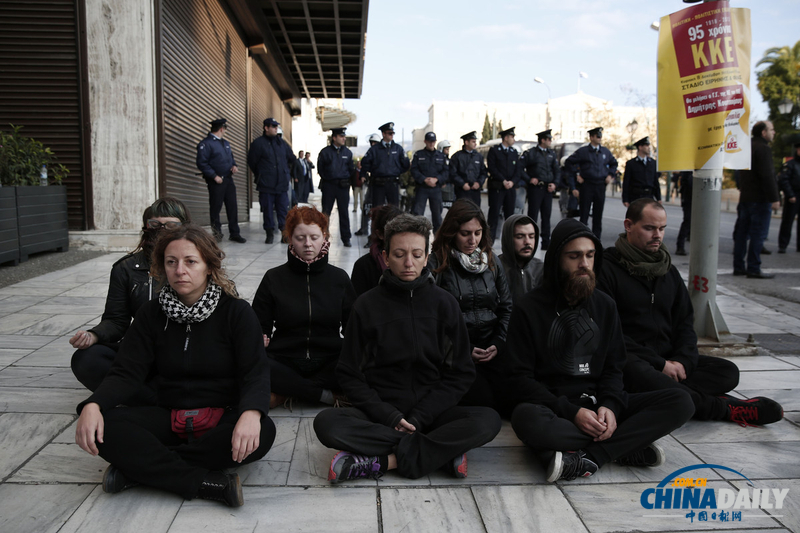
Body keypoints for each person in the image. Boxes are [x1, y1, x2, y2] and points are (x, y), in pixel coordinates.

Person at [74, 224, 276, 507]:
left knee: (263, 431)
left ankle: (141, 470)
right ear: (162, 268)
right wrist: (93, 405)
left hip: (221, 416)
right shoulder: (150, 314)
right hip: (168, 414)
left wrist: (251, 413)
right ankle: (208, 483)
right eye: (171, 262)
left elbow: (255, 372)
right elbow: (126, 372)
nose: (180, 270)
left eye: (190, 261)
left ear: (208, 265)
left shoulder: (237, 312)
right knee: (106, 427)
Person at [313, 214, 501, 482]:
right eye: (400, 254)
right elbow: (349, 373)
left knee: (488, 420)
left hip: (433, 412)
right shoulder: (366, 306)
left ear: (427, 256)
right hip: (382, 412)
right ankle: (441, 452)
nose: (408, 263)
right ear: (387, 256)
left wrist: (422, 416)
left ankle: (384, 461)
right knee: (327, 424)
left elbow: (460, 373)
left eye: (416, 254)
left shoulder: (444, 305)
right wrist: (389, 416)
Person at [505, 218, 695, 482]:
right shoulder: (528, 308)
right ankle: (624, 445)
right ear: (557, 259)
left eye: (590, 255)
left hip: (598, 404)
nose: (584, 264)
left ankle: (592, 457)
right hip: (554, 408)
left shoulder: (604, 305)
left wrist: (611, 407)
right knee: (526, 419)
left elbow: (614, 367)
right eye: (575, 256)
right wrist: (573, 413)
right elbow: (518, 380)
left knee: (681, 401)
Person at [598, 199, 784, 427]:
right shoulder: (606, 269)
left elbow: (685, 323)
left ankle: (674, 392)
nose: (657, 235)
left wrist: (682, 361)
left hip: (669, 359)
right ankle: (725, 408)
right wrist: (660, 364)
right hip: (634, 361)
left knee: (727, 371)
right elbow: (610, 333)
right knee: (639, 374)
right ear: (628, 225)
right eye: (649, 228)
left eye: (662, 228)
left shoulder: (668, 271)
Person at [70, 198, 192, 405]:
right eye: (155, 224)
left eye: (171, 225)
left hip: (188, 350)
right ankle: (155, 399)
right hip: (143, 351)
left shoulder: (198, 263)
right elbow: (116, 320)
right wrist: (94, 335)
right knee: (86, 359)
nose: (162, 230)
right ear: (146, 227)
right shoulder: (126, 268)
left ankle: (138, 393)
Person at [252, 206, 356, 408]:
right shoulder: (274, 278)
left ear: (324, 237)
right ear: (290, 238)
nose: (308, 244)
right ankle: (322, 395)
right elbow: (258, 324)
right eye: (300, 238)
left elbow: (353, 326)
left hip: (328, 359)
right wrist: (261, 336)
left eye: (314, 237)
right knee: (255, 362)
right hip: (285, 359)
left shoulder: (339, 278)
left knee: (359, 360)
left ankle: (289, 392)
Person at [427, 199, 513, 414]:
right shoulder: (436, 263)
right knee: (483, 402)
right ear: (451, 232)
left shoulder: (492, 261)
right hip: (454, 354)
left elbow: (506, 306)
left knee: (511, 399)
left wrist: (498, 342)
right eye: (465, 233)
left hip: (491, 348)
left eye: (478, 232)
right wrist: (462, 350)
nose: (472, 240)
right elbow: (429, 318)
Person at [733, 121, 781, 278]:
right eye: (771, 130)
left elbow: (738, 173)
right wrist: (775, 198)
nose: (774, 133)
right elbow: (768, 175)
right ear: (763, 133)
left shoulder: (746, 147)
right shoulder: (764, 149)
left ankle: (738, 266)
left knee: (742, 233)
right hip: (760, 199)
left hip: (745, 197)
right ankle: (753, 267)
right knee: (757, 234)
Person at [195, 118, 246, 243]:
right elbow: (202, 163)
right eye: (225, 129)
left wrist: (234, 166)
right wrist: (213, 176)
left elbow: (231, 159)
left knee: (232, 207)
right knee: (215, 208)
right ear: (222, 129)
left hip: (228, 180)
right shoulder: (206, 144)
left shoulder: (225, 143)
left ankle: (234, 233)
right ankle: (217, 234)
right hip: (216, 181)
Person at [248, 117, 296, 244]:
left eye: (276, 126)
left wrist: (286, 172)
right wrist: (262, 174)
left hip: (281, 184)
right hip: (266, 184)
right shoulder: (258, 143)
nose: (276, 129)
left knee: (282, 210)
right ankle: (269, 233)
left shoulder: (281, 143)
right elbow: (252, 162)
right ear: (266, 128)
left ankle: (284, 233)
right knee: (268, 210)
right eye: (273, 126)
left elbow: (292, 158)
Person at [565, 127, 618, 238]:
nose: (600, 138)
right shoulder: (583, 151)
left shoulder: (605, 151)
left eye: (600, 136)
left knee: (598, 215)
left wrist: (610, 175)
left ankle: (596, 239)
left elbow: (614, 163)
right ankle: (582, 237)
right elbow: (569, 162)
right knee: (584, 214)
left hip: (600, 185)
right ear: (591, 137)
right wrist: (577, 174)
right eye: (597, 136)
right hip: (587, 185)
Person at [351, 204, 404, 296]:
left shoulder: (412, 263)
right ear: (380, 234)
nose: (401, 238)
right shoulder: (364, 266)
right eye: (393, 233)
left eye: (403, 232)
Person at [522, 129, 561, 250]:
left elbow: (557, 171)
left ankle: (545, 242)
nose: (550, 141)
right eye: (549, 139)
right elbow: (519, 168)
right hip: (536, 188)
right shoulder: (531, 153)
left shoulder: (551, 153)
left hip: (547, 189)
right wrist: (529, 179)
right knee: (533, 216)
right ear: (542, 140)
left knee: (546, 216)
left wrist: (555, 184)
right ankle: (530, 241)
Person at [317, 127, 355, 247]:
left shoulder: (347, 153)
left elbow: (351, 169)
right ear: (334, 137)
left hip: (343, 186)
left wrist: (346, 179)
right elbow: (320, 169)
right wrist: (328, 178)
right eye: (341, 136)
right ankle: (323, 235)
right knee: (326, 212)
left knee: (344, 213)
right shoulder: (325, 152)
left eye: (344, 136)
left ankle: (346, 238)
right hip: (329, 185)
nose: (344, 138)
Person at [360, 122, 410, 207]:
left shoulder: (398, 148)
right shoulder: (374, 149)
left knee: (394, 210)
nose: (392, 135)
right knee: (378, 210)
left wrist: (397, 171)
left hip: (393, 183)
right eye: (389, 133)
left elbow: (406, 164)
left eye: (392, 133)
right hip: (378, 184)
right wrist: (373, 171)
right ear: (383, 134)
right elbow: (365, 163)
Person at [487, 127, 524, 241]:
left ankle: (509, 240)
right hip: (498, 186)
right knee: (494, 214)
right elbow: (492, 168)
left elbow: (518, 170)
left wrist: (512, 182)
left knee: (510, 215)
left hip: (510, 188)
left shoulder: (513, 152)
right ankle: (490, 240)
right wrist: (503, 180)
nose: (513, 139)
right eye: (512, 137)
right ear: (506, 138)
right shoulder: (494, 150)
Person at [499, 214, 543, 302]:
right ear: (508, 239)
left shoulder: (541, 269)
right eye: (520, 237)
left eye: (531, 236)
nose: (527, 242)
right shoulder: (495, 268)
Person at [411, 131, 448, 233]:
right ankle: (417, 235)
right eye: (429, 141)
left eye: (433, 141)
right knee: (417, 214)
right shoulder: (419, 155)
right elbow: (414, 170)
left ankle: (438, 239)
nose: (431, 143)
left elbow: (446, 171)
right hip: (422, 188)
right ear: (425, 141)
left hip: (435, 189)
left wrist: (437, 179)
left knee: (437, 215)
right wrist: (424, 179)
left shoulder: (441, 156)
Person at [355, 133, 382, 240]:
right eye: (372, 143)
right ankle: (364, 228)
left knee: (379, 210)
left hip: (381, 187)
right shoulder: (371, 153)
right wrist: (363, 175)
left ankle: (376, 233)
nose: (373, 144)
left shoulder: (382, 154)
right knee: (366, 207)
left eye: (375, 143)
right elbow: (364, 165)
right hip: (372, 185)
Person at [449, 131, 487, 206]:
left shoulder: (478, 156)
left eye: (475, 141)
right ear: (466, 142)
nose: (475, 144)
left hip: (475, 191)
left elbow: (483, 172)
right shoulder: (457, 156)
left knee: (475, 212)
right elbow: (452, 173)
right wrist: (462, 184)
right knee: (462, 212)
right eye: (473, 142)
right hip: (462, 191)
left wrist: (479, 183)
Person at [622, 137, 660, 207]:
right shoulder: (631, 163)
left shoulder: (652, 163)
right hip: (636, 197)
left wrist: (658, 198)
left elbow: (655, 181)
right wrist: (625, 199)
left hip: (649, 196)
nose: (649, 148)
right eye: (646, 145)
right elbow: (626, 182)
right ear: (640, 147)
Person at [778, 141, 800, 253]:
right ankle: (783, 245)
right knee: (787, 221)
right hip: (793, 196)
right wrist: (790, 194)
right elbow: (784, 180)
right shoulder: (790, 164)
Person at [675, 171, 693, 256]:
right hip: (689, 200)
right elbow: (688, 184)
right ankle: (680, 245)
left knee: (688, 222)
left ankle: (686, 239)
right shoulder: (688, 172)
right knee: (687, 221)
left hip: (690, 200)